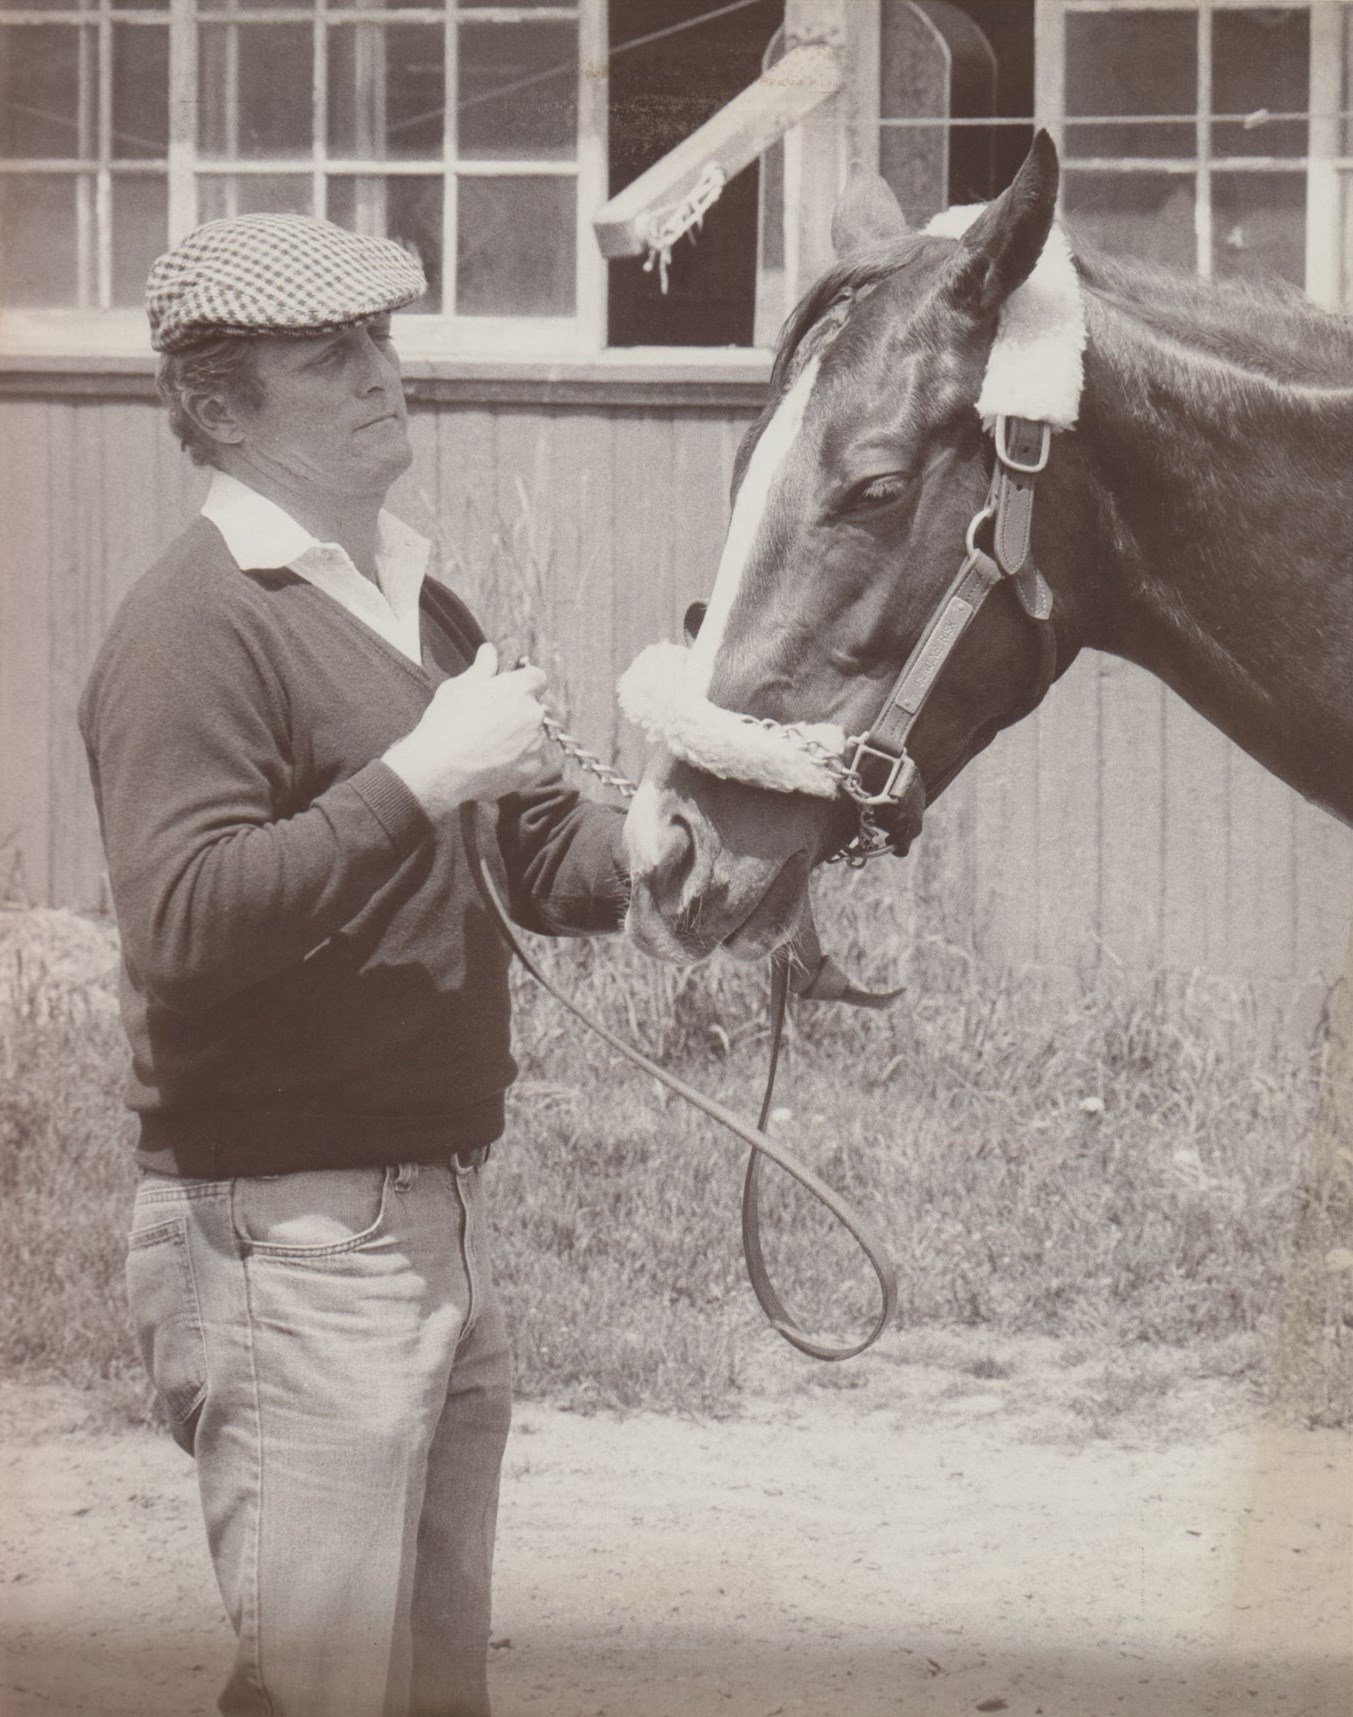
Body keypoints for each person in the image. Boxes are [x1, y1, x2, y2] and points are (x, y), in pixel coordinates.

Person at [78, 214, 629, 1717]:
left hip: (431, 1210)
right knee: (323, 1692)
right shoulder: (194, 624)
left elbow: (535, 854)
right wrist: (420, 776)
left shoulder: (410, 595)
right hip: (288, 1237)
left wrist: (671, 848)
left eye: (382, 339)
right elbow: (183, 926)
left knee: (429, 1688)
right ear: (220, 406)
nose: (385, 373)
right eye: (332, 354)